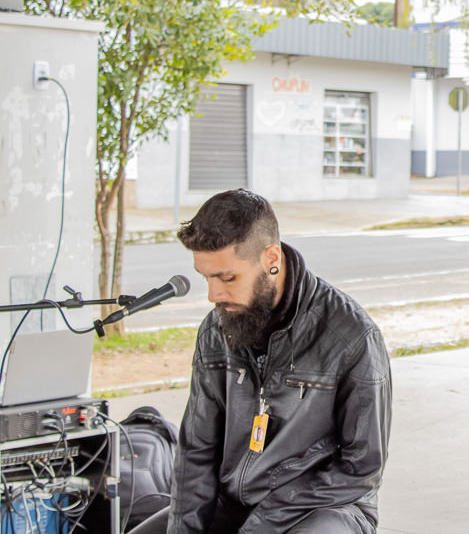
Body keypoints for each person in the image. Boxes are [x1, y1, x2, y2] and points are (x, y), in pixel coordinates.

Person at [134, 189, 391, 533]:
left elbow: (361, 469)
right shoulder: (216, 329)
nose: (214, 295)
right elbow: (197, 450)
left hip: (325, 508)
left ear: (271, 258)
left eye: (227, 278)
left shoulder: (352, 337)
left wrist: (262, 525)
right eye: (206, 278)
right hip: (233, 504)